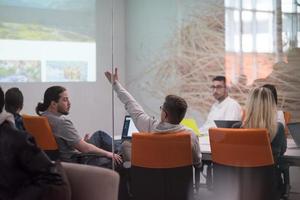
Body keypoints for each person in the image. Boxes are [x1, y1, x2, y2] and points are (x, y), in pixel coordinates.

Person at [105, 68, 201, 167]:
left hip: (151, 180)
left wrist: (116, 85)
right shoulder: (191, 136)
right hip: (180, 182)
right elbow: (197, 163)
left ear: (165, 114)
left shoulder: (150, 127)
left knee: (125, 145)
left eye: (161, 109)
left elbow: (132, 105)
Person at [0, 86, 71, 200]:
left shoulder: (17, 138)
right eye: (65, 99)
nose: (69, 103)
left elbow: (51, 177)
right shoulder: (20, 135)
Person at [35, 86, 122, 168]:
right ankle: (122, 152)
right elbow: (85, 149)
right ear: (53, 104)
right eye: (65, 100)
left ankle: (121, 150)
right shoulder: (61, 122)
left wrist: (81, 142)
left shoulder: (43, 117)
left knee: (99, 135)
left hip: (67, 156)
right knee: (116, 155)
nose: (69, 103)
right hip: (78, 160)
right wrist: (108, 154)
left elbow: (62, 144)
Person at [232, 87, 287, 198]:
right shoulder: (278, 129)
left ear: (250, 105)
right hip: (269, 188)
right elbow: (282, 151)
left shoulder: (236, 128)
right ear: (271, 106)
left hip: (242, 187)